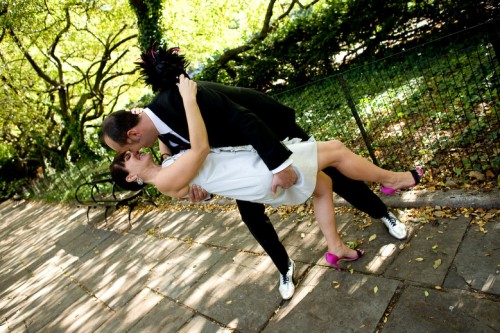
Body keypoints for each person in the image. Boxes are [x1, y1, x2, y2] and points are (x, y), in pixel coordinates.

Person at [101, 45, 411, 300]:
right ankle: (286, 266)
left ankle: (382, 211)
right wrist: (199, 191)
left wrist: (280, 165)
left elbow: (244, 121)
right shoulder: (163, 136)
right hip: (244, 163)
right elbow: (191, 170)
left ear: (132, 136)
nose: (134, 155)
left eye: (125, 152)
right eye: (127, 158)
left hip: (269, 131)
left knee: (333, 173)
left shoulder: (182, 98)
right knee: (255, 213)